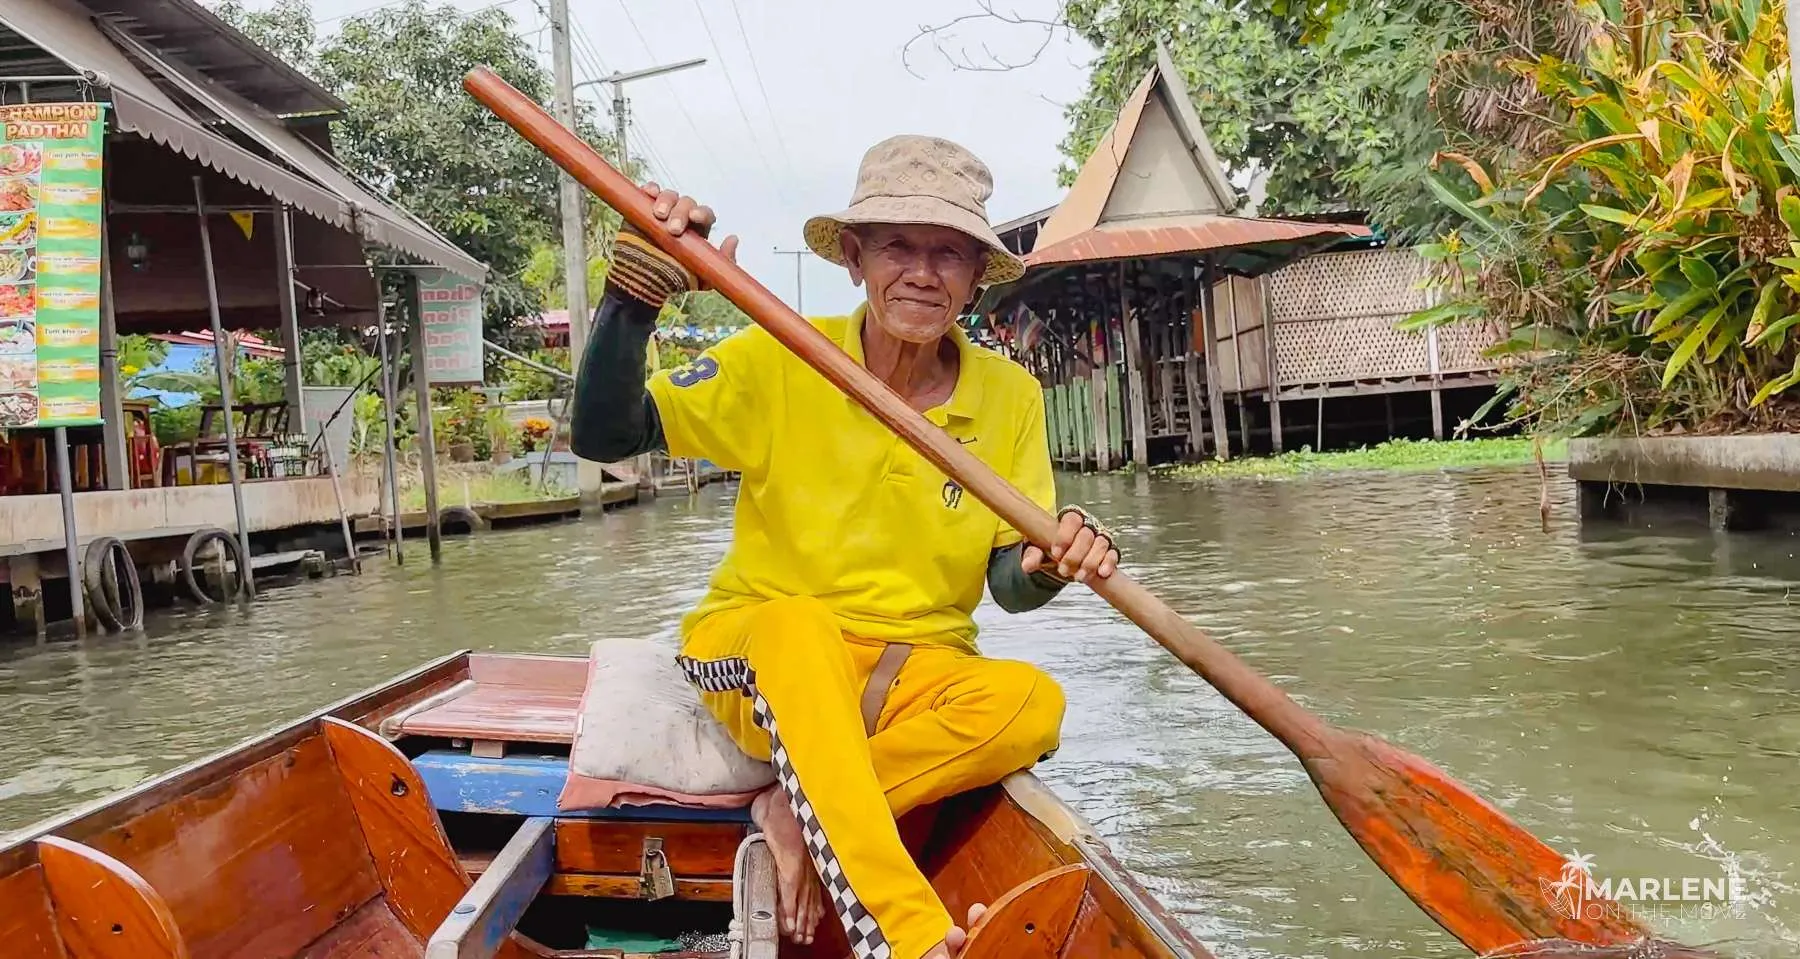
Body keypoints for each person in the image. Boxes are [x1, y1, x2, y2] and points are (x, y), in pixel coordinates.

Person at [572, 134, 1119, 959]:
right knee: (798, 625)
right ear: (856, 259)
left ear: (974, 278)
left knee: (1032, 701)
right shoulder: (782, 352)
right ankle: (909, 930)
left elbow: (1009, 580)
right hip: (762, 650)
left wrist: (1049, 567)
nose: (924, 272)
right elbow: (604, 432)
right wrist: (632, 300)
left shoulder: (1009, 395)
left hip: (915, 668)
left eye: (949, 253)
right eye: (899, 246)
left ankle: (797, 805)